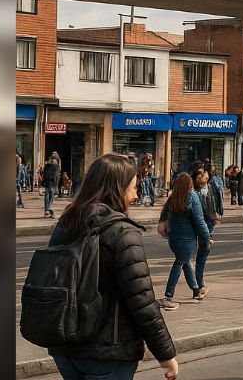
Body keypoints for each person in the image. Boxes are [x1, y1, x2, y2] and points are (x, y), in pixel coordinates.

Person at [34, 153, 179, 380]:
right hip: (109, 352)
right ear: (116, 189)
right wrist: (166, 354)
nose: (135, 195)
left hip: (65, 346)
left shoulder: (67, 222)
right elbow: (142, 301)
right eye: (132, 188)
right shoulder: (123, 233)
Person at [158, 172, 211, 309]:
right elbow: (199, 221)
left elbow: (164, 215)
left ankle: (196, 290)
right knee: (180, 262)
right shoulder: (192, 197)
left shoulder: (173, 198)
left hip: (173, 238)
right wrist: (207, 237)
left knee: (185, 261)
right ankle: (168, 295)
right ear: (189, 185)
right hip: (187, 239)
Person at [192, 165, 220, 298]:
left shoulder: (211, 188)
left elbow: (216, 202)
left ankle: (198, 284)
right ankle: (198, 285)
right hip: (201, 227)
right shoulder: (194, 194)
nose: (205, 176)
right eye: (202, 175)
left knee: (202, 255)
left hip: (208, 225)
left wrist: (217, 215)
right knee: (197, 257)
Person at [42, 151, 62, 217]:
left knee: (48, 196)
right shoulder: (55, 164)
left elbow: (44, 172)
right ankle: (48, 209)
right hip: (52, 181)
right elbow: (58, 172)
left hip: (49, 181)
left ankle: (47, 210)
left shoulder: (49, 163)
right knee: (49, 196)